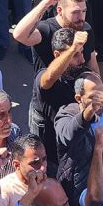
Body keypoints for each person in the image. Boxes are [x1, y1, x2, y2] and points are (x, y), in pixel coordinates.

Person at [54, 74, 103, 206]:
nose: (99, 101)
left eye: (101, 94)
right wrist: (90, 111)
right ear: (79, 98)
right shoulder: (66, 115)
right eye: (92, 97)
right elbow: (68, 134)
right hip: (79, 197)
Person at [31, 27, 91, 170]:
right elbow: (47, 79)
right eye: (75, 55)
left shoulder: (79, 71)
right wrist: (72, 49)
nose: (82, 59)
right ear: (57, 55)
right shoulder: (45, 77)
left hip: (75, 144)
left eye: (81, 53)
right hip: (51, 154)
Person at [13, 0, 100, 75]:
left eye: (84, 11)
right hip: (51, 87)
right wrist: (45, 3)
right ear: (59, 10)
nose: (81, 17)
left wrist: (98, 85)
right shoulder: (46, 29)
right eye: (75, 12)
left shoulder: (85, 28)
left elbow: (92, 62)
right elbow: (19, 35)